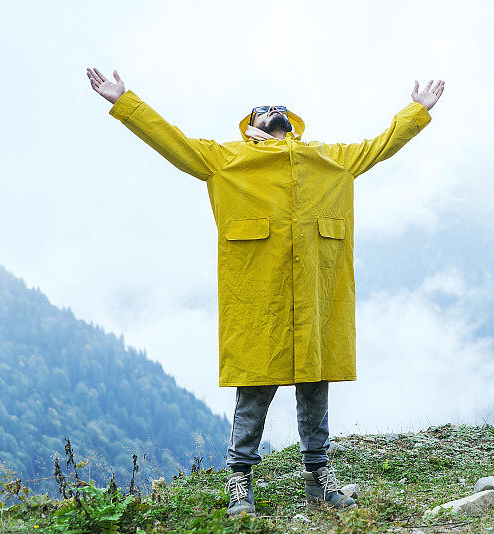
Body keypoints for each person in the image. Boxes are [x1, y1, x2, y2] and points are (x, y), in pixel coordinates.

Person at [86, 67, 444, 517]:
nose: (276, 120)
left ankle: (319, 477)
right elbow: (172, 141)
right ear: (252, 130)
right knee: (254, 391)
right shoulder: (228, 160)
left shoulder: (326, 158)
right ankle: (241, 481)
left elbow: (378, 145)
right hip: (258, 301)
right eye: (266, 117)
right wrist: (125, 102)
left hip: (314, 298)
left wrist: (417, 112)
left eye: (282, 118)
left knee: (315, 386)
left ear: (294, 127)